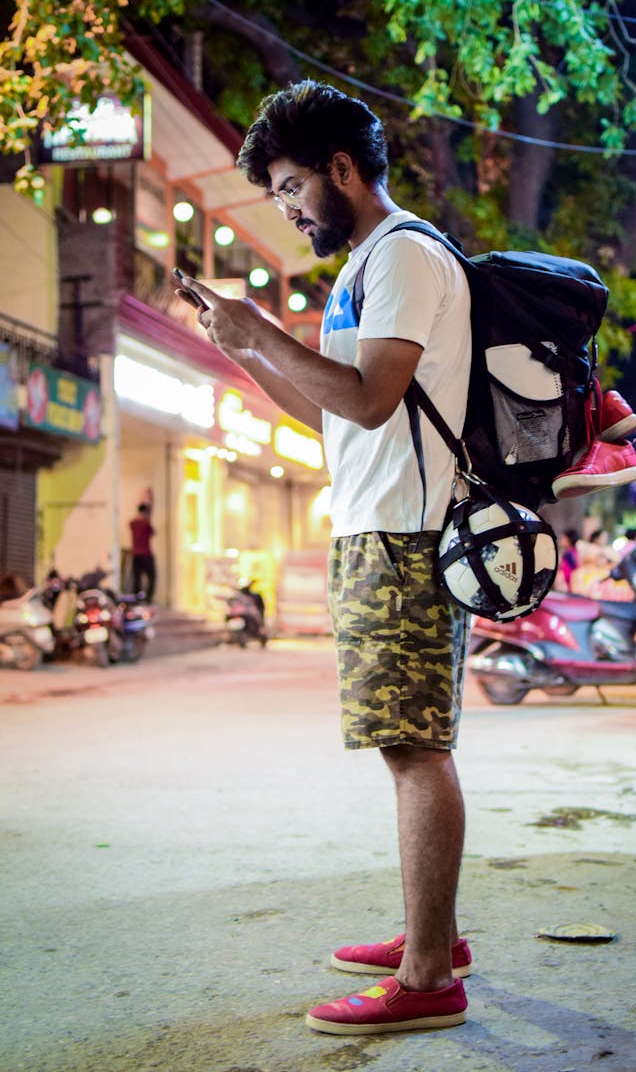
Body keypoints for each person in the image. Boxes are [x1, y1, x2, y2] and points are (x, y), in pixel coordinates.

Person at [175, 81, 473, 1035]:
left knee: (414, 747)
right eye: (278, 196)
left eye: (296, 185)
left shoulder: (403, 257)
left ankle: (429, 978)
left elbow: (376, 397)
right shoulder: (361, 270)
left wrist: (263, 332)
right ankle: (434, 936)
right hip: (373, 522)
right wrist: (247, 350)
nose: (292, 207)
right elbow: (329, 411)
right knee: (404, 745)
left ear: (344, 168)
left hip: (408, 529)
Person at [129, 503, 156, 603]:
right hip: (146, 554)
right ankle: (148, 598)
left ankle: (137, 597)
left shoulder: (133, 523)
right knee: (152, 577)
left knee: (137, 578)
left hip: (136, 554)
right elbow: (153, 532)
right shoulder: (146, 524)